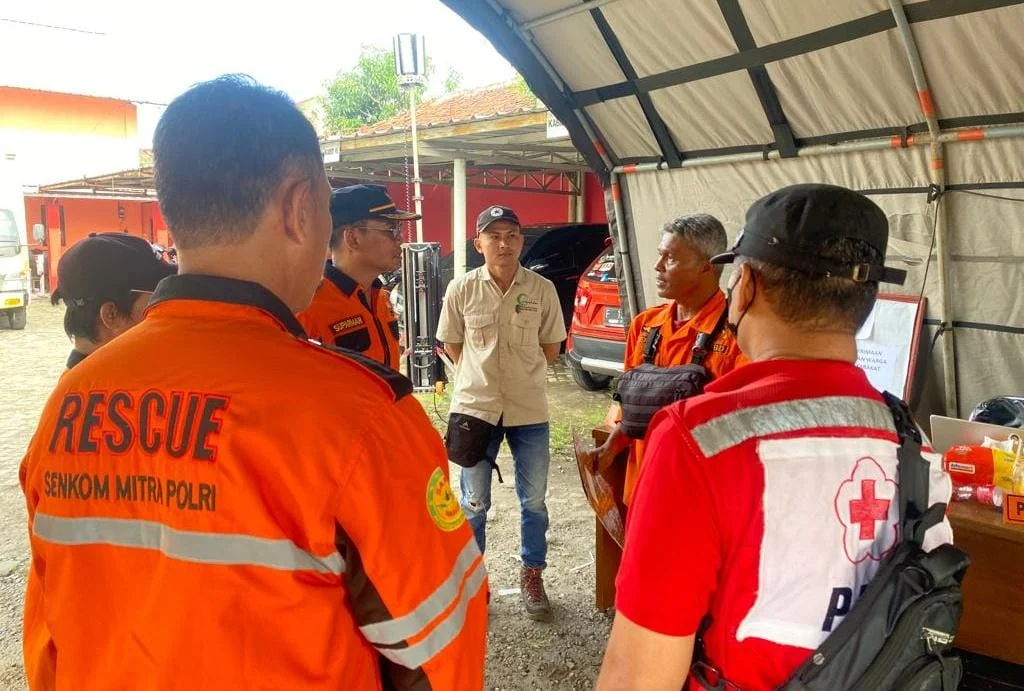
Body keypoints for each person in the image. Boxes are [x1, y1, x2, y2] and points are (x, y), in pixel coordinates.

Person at [20, 74, 487, 690]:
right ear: (299, 209)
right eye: (324, 208)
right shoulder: (361, 417)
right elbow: (441, 645)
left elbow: (49, 637)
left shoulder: (71, 402)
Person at [596, 184, 954, 691]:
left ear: (744, 286)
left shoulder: (699, 441)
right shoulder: (910, 441)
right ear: (866, 303)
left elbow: (637, 676)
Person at [436, 205, 566, 621]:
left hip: (529, 409)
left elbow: (552, 348)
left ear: (521, 241)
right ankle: (475, 583)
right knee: (473, 504)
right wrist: (478, 377)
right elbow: (451, 345)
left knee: (535, 502)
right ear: (479, 244)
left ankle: (532, 576)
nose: (503, 243)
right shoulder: (461, 289)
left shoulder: (542, 289)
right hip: (475, 409)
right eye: (494, 236)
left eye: (511, 235)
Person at [582, 213, 745, 506]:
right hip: (643, 491)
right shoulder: (646, 325)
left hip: (700, 501)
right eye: (660, 256)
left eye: (669, 259)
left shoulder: (737, 336)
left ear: (707, 266)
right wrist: (613, 444)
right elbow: (633, 409)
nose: (657, 267)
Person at [298, 184, 417, 369]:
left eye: (399, 229)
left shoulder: (381, 298)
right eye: (390, 230)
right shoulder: (308, 305)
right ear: (353, 238)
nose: (400, 239)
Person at [49, 232, 175, 369]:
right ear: (111, 315)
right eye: (158, 294)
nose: (168, 302)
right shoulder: (131, 384)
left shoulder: (77, 384)